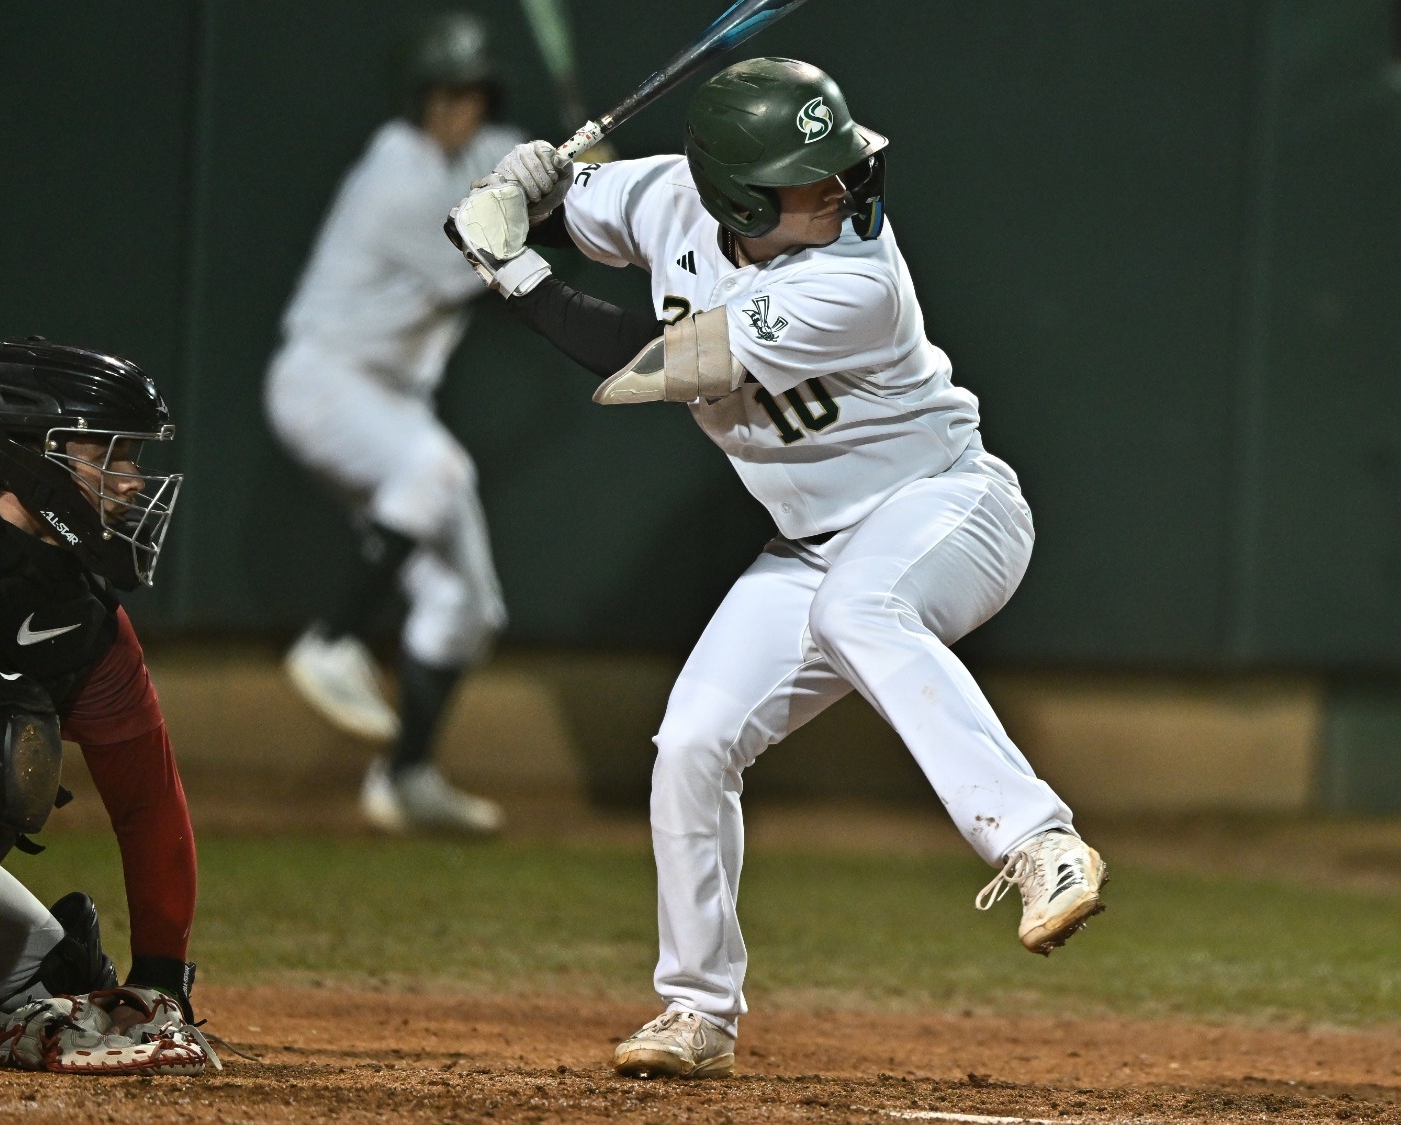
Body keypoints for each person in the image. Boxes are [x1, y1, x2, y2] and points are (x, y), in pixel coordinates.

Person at [448, 57, 1107, 1078]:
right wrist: (528, 188)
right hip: (809, 544)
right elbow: (578, 204)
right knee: (693, 743)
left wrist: (512, 268)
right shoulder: (667, 193)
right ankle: (696, 1010)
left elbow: (651, 365)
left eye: (838, 161)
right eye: (809, 174)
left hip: (947, 508)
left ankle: (1037, 841)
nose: (838, 185)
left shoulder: (854, 278)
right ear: (739, 196)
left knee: (862, 609)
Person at [265, 12, 521, 834]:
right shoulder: (396, 177)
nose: (463, 111)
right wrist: (574, 201)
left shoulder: (471, 150)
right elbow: (485, 257)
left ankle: (404, 777)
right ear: (420, 101)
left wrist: (589, 171)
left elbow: (525, 166)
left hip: (390, 398)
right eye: (448, 96)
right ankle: (331, 640)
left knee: (467, 602)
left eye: (473, 94)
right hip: (326, 383)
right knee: (439, 471)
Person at [0, 338, 216, 1075]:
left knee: (55, 985)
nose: (133, 482)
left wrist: (160, 979)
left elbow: (148, 803)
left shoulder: (80, 620)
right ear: (30, 453)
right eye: (109, 456)